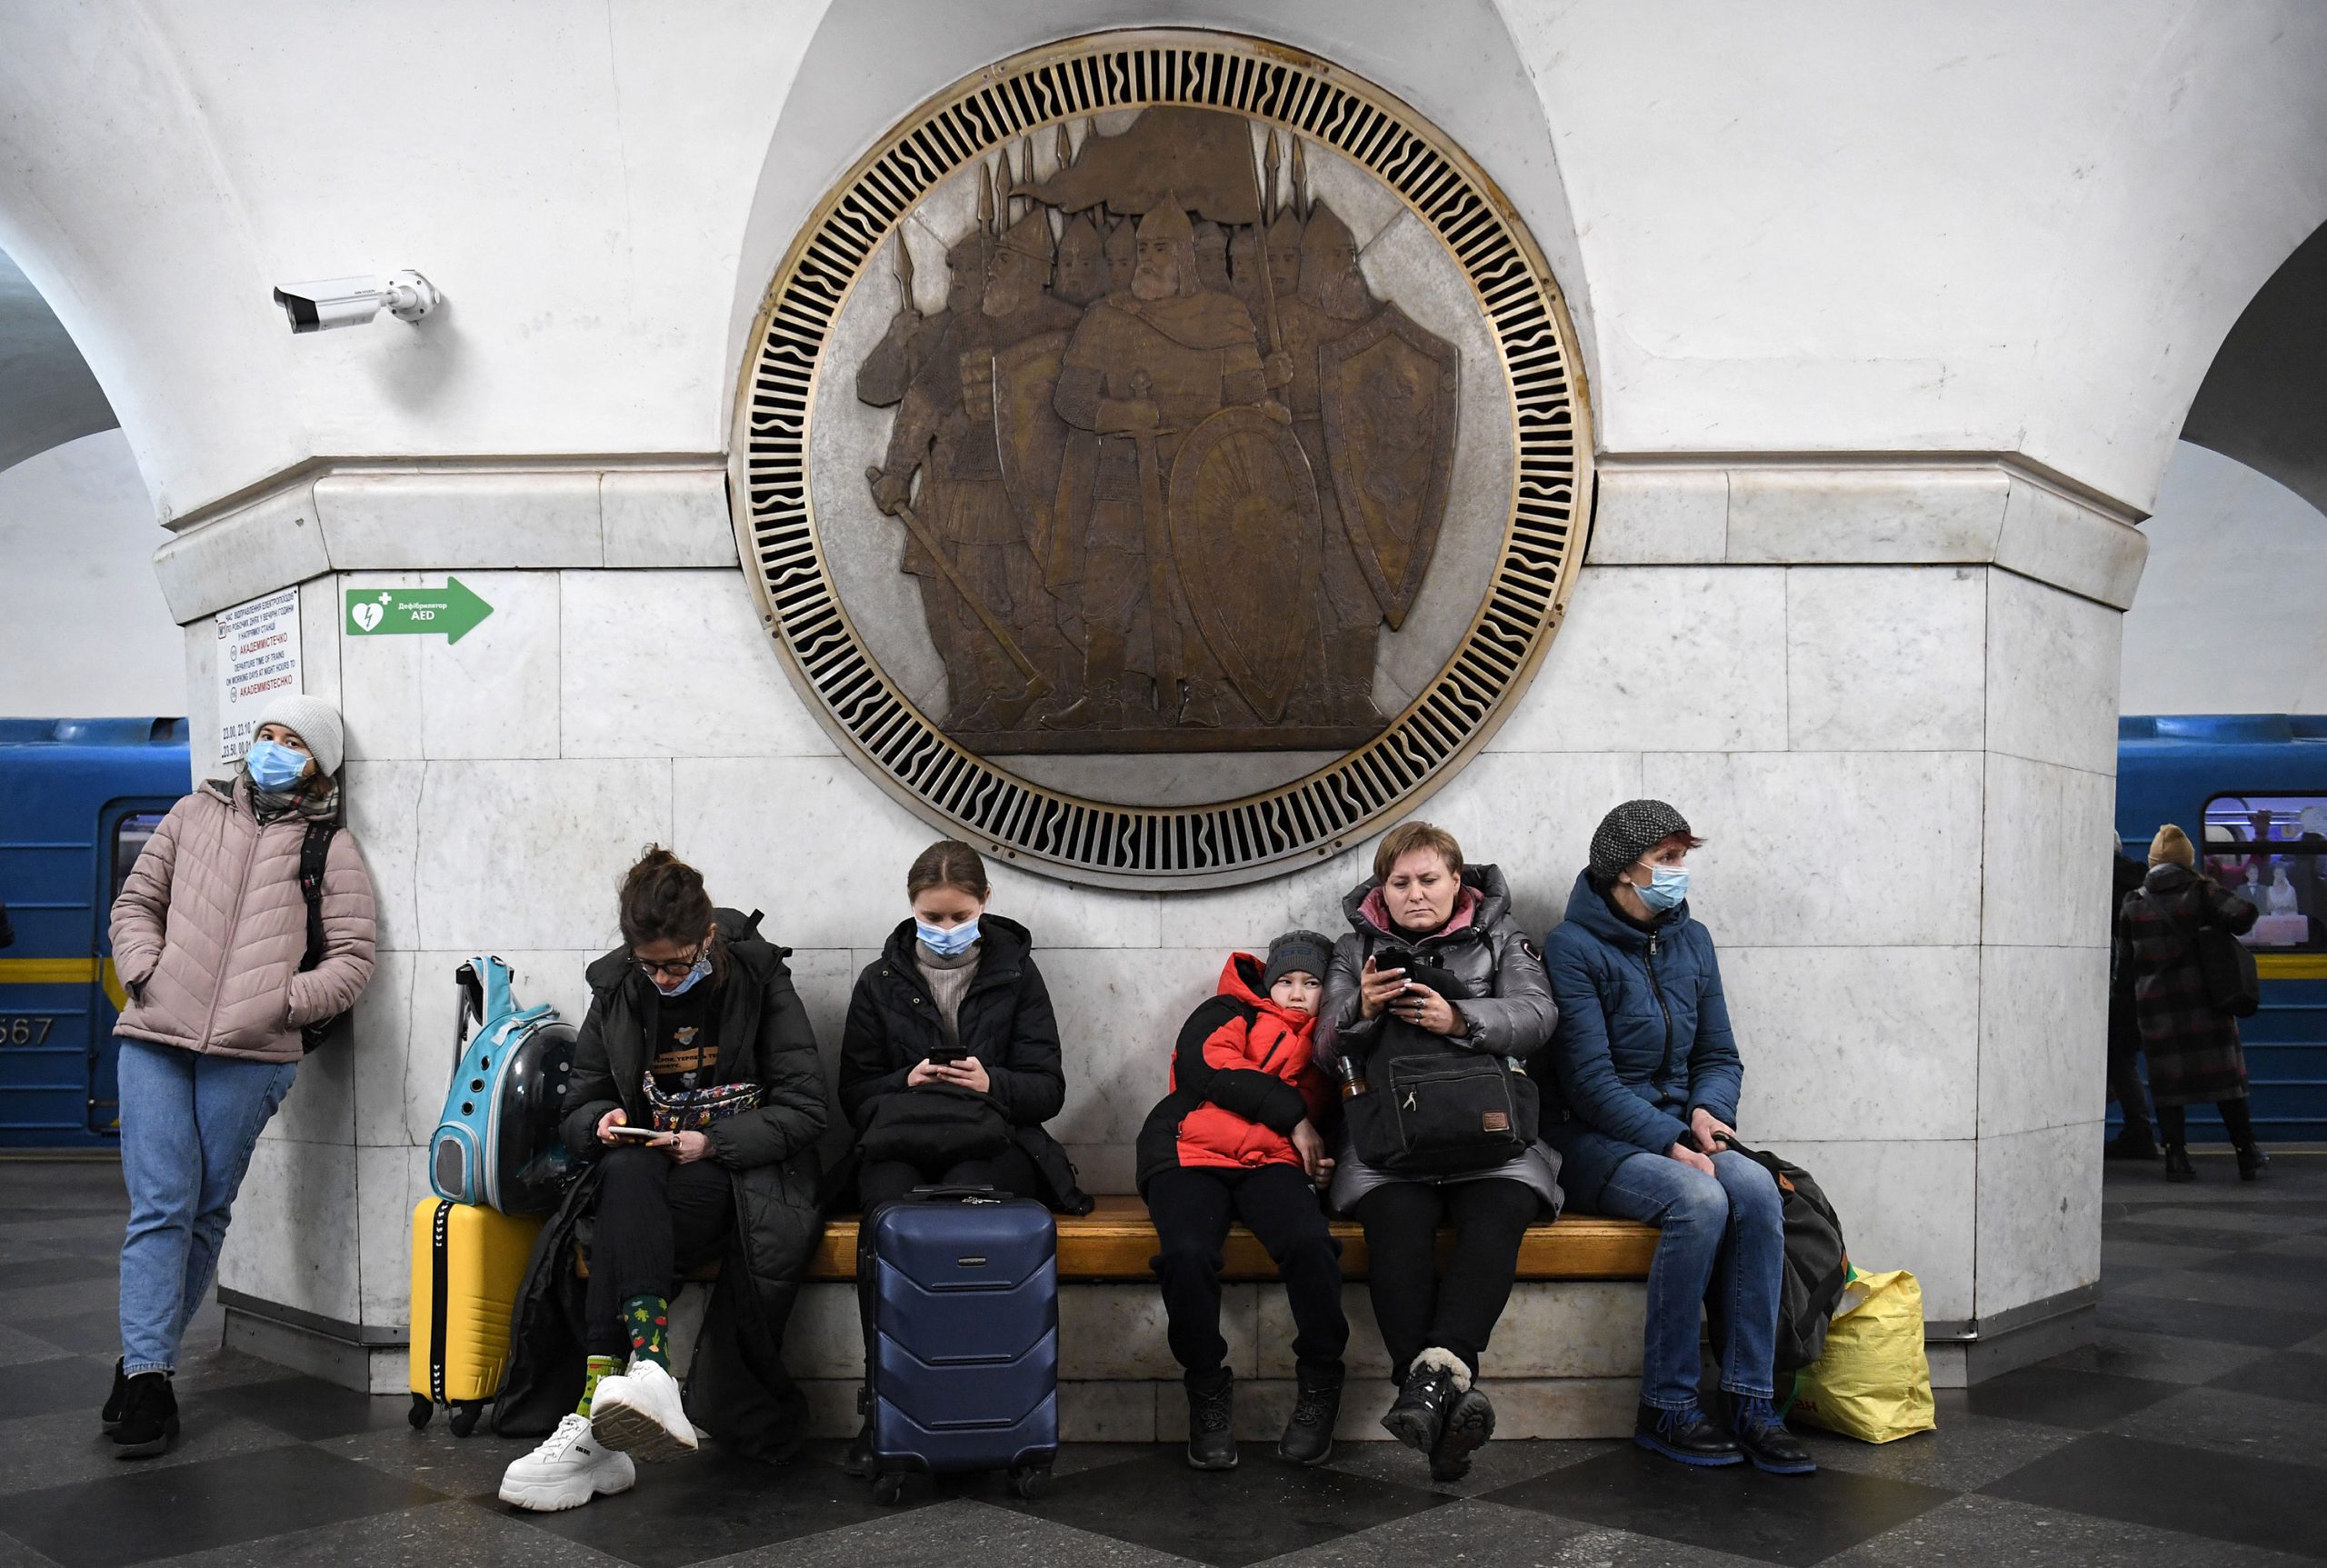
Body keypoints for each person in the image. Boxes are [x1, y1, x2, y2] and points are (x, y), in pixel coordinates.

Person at [498, 847, 827, 1512]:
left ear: (708, 937)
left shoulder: (759, 976)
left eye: (679, 961)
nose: (667, 976)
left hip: (740, 1173)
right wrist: (602, 1120)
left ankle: (595, 1424)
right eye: (652, 965)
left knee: (623, 1218)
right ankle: (647, 1369)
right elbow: (578, 1107)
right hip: (648, 1174)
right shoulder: (618, 987)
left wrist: (713, 1140)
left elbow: (806, 1107)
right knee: (622, 1168)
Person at [104, 694, 375, 1458]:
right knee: (161, 1203)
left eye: (292, 741)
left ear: (318, 764)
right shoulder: (193, 814)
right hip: (157, 1033)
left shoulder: (330, 847)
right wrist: (144, 970)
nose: (274, 749)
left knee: (204, 1208)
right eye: (266, 735)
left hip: (251, 1055)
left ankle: (136, 1360)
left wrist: (280, 1003)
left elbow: (353, 959)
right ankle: (153, 1377)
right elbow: (136, 903)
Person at [1540, 800, 1813, 1475]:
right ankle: (1665, 1404)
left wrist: (1707, 1113)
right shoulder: (1571, 948)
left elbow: (1719, 1053)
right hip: (1594, 1138)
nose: (1679, 871)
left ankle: (1752, 1400)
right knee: (1700, 1201)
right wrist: (1670, 1141)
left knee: (1755, 1190)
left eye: (1683, 856)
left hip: (1678, 1127)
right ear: (1621, 871)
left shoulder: (1694, 940)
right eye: (1666, 858)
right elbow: (1588, 1082)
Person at [835, 838, 1093, 1471]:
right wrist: (905, 1081)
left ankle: (982, 1398)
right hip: (902, 1135)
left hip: (988, 1135)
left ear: (984, 904)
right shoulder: (880, 981)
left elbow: (1048, 1088)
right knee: (886, 1220)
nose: (946, 929)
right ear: (911, 908)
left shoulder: (1015, 973)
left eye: (958, 915)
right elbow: (853, 1090)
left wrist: (991, 1082)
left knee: (976, 1216)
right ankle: (888, 1408)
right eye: (932, 917)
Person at [1314, 820, 1560, 1483]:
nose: (1416, 894)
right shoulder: (1353, 948)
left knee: (1501, 1213)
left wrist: (1462, 1019)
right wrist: (1360, 1009)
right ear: (1381, 889)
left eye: (1429, 879)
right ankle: (1444, 1395)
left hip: (1492, 1138)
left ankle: (1424, 1389)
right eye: (1401, 882)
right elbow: (1324, 1049)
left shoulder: (1502, 936)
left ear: (1458, 881)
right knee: (1396, 1228)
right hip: (1387, 1143)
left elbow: (1539, 1017)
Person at [1138, 931, 1348, 1471]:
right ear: (1267, 984)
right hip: (1188, 1151)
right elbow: (1206, 1066)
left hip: (1272, 1164)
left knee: (1309, 1243)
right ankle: (1206, 1389)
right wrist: (1295, 1116)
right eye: (1285, 982)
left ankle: (1321, 1382)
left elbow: (1351, 1115)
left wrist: (1329, 1164)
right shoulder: (1229, 1008)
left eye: (1311, 983)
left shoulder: (1333, 1043)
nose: (1297, 993)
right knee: (1187, 1253)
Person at [2118, 824, 2268, 1182]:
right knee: (2227, 1084)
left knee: (2169, 1091)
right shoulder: (2201, 891)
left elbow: (2125, 967)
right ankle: (2246, 1154)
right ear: (2187, 860)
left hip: (2158, 1012)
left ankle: (2177, 1159)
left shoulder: (2133, 902)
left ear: (2153, 861)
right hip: (2206, 1007)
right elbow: (2244, 915)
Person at [2105, 834, 2158, 1160]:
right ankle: (2140, 1130)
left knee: (2116, 1058)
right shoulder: (2139, 881)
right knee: (2121, 1058)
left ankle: (2138, 1131)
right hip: (2146, 985)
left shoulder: (2098, 882)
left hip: (2116, 987)